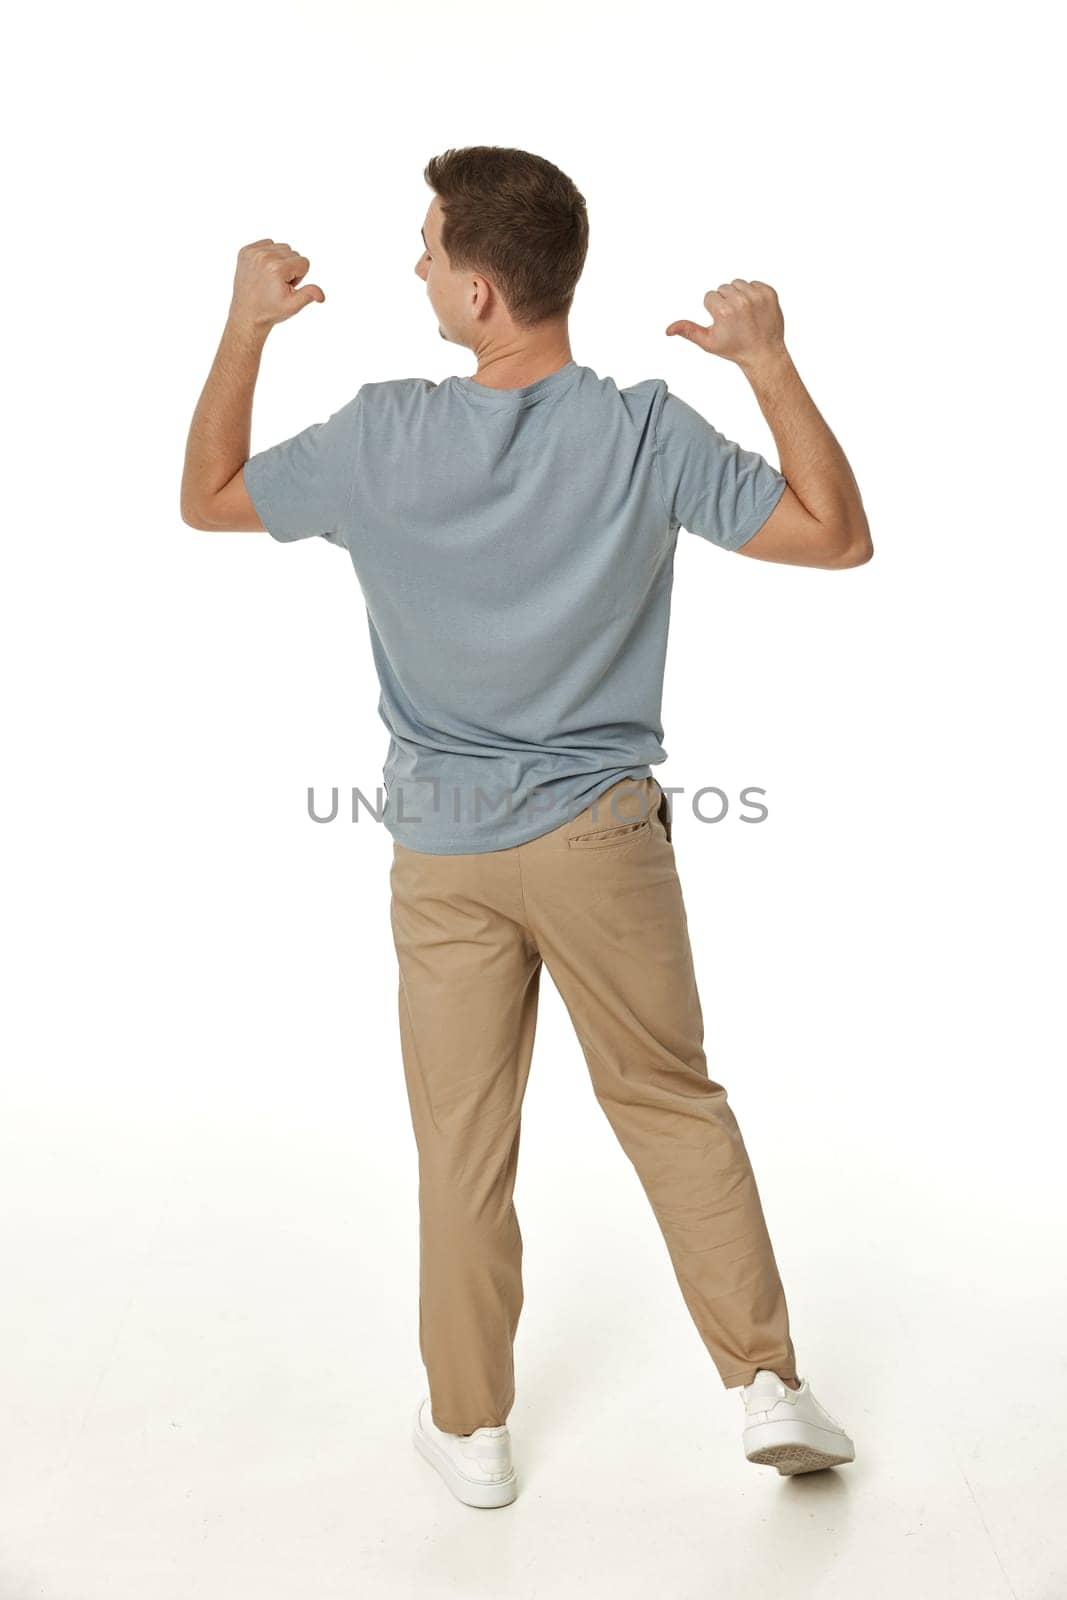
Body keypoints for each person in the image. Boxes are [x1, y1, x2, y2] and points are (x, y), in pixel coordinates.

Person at [181, 144, 869, 1510]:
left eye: (430, 250)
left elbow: (207, 498)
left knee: (462, 1145)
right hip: (605, 840)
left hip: (444, 852)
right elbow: (834, 535)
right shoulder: (644, 431)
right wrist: (767, 360)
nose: (416, 267)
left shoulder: (381, 434)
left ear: (484, 292)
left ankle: (473, 1431)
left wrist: (241, 327)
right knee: (673, 1107)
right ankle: (765, 1387)